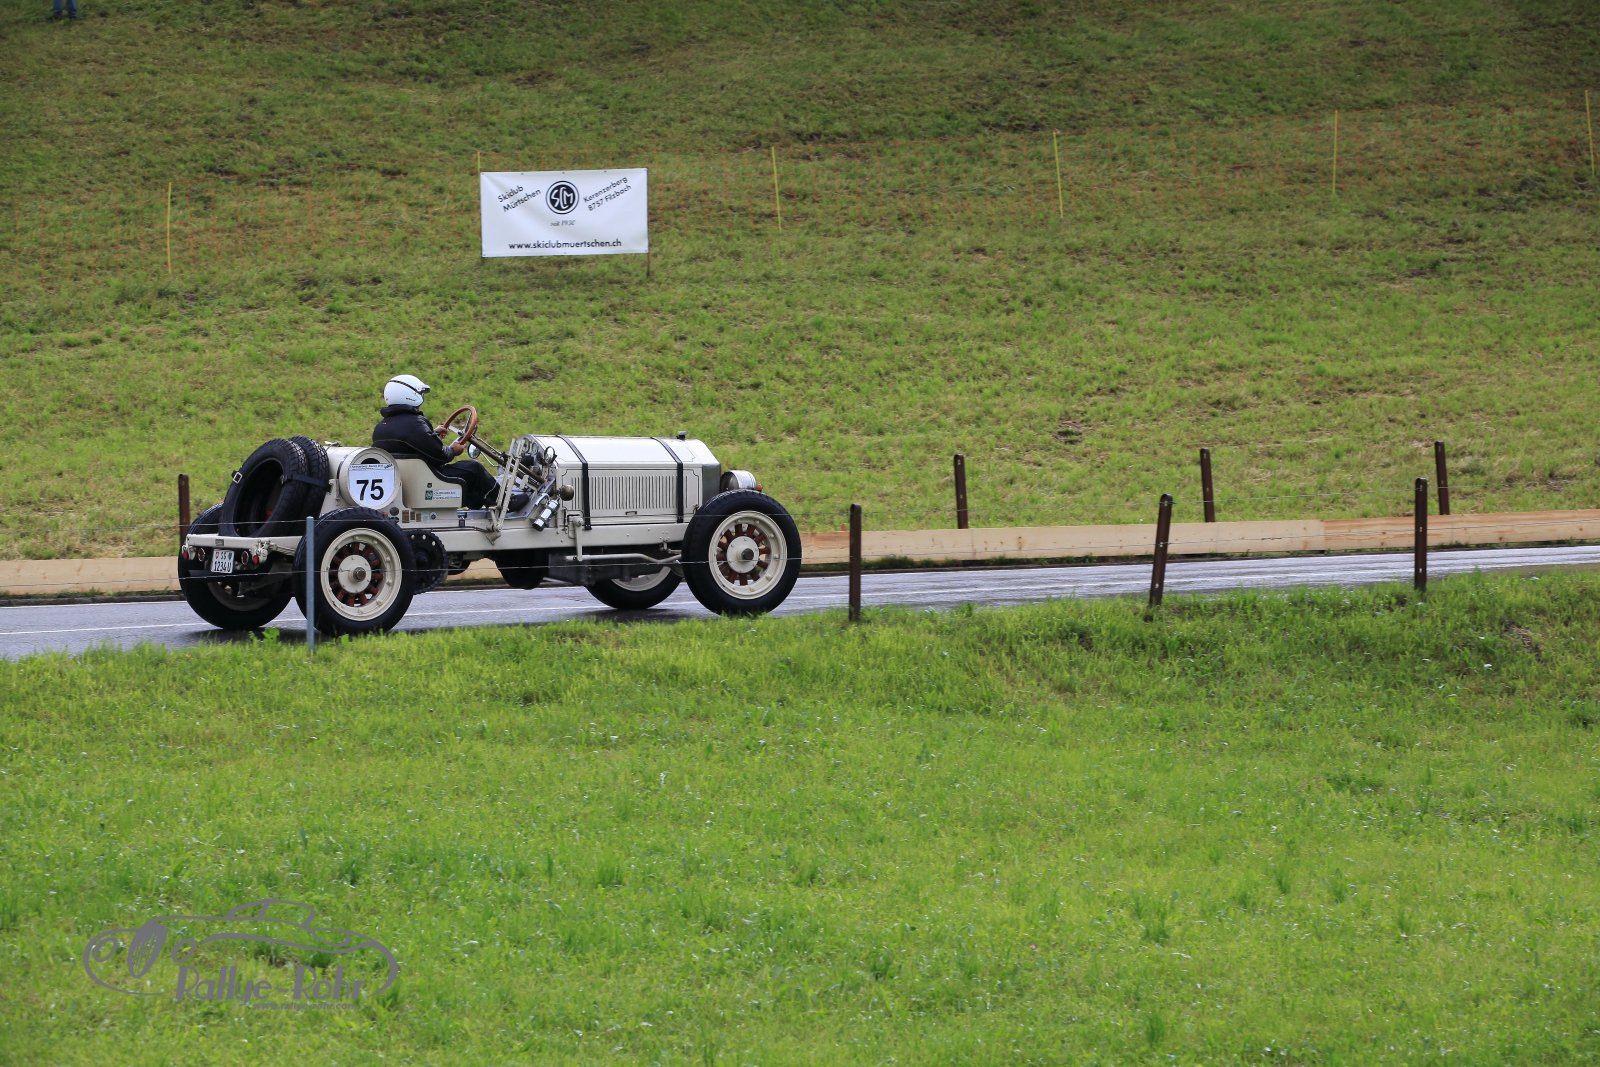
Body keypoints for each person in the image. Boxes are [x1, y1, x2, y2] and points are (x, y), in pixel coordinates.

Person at [372, 374, 528, 511]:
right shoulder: (414, 424)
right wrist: (453, 450)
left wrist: (432, 435)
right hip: (430, 479)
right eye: (420, 393)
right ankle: (506, 503)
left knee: (466, 472)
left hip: (410, 483)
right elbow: (440, 456)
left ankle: (481, 502)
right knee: (474, 468)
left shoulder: (381, 427)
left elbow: (411, 447)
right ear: (411, 396)